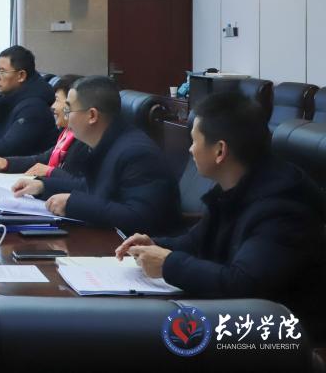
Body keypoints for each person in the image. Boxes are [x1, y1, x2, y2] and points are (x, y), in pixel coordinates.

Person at [115, 92, 326, 336]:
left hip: (281, 338)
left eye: (194, 141)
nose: (190, 149)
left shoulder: (283, 209)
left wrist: (168, 264)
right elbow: (197, 241)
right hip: (234, 320)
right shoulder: (236, 187)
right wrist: (154, 245)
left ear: (220, 151)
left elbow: (244, 284)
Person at [12, 75, 181, 235]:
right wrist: (43, 186)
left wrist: (73, 204)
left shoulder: (136, 153)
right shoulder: (107, 142)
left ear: (92, 115)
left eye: (68, 109)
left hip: (134, 248)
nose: (66, 116)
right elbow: (91, 187)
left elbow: (138, 217)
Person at [0, 74, 85, 183]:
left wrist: (50, 173)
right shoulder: (66, 134)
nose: (52, 107)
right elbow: (43, 159)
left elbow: (81, 184)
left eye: (57, 100)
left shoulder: (84, 141)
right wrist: (7, 163)